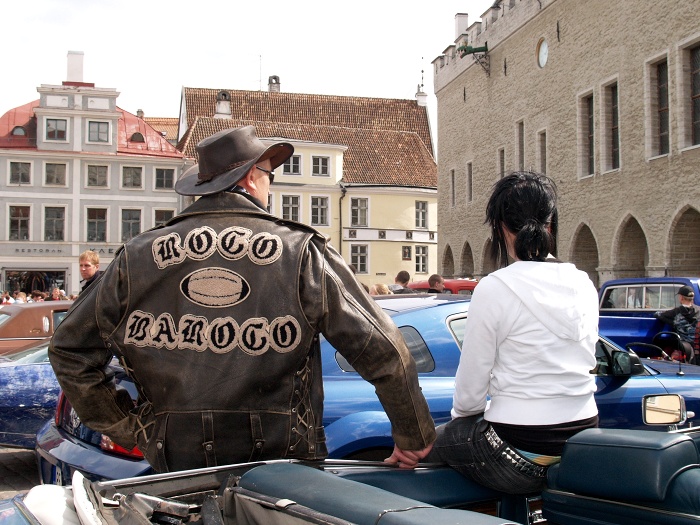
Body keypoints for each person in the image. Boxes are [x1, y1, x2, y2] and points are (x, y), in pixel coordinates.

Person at [49, 126, 435, 473]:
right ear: (251, 177)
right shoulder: (300, 251)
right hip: (282, 466)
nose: (270, 187)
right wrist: (412, 435)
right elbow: (384, 350)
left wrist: (129, 427)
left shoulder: (137, 256)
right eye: (269, 175)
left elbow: (69, 349)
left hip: (176, 462)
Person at [426, 171, 599, 495]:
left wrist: (462, 423)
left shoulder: (495, 287)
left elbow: (471, 391)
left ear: (501, 228)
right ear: (550, 224)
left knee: (423, 446)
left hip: (517, 446)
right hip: (581, 436)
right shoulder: (584, 282)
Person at [654, 286, 700, 363]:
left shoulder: (675, 313)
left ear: (681, 298)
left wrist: (671, 322)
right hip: (697, 349)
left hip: (685, 349)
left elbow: (658, 314)